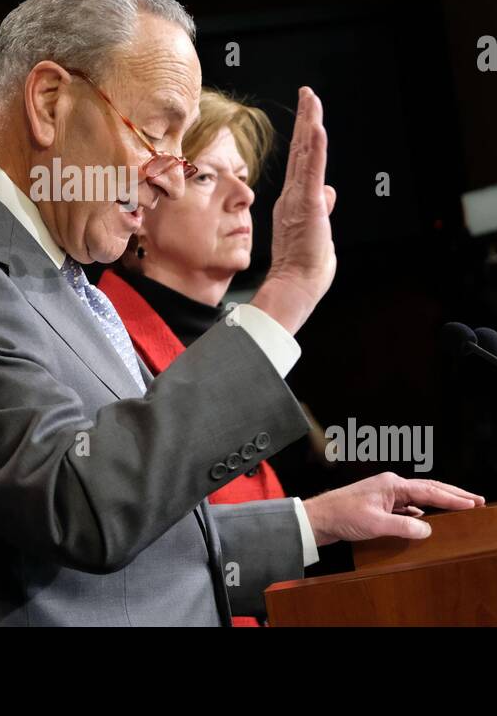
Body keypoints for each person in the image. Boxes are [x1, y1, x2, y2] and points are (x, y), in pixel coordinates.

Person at [0, 0, 483, 626]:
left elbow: (96, 561)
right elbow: (84, 507)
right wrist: (285, 296)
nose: (166, 177)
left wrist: (310, 524)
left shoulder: (34, 260)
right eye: (156, 133)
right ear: (49, 102)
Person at [97, 87, 335, 626]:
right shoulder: (103, 341)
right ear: (141, 204)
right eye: (206, 176)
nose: (244, 196)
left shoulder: (236, 335)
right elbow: (137, 557)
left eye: (244, 177)